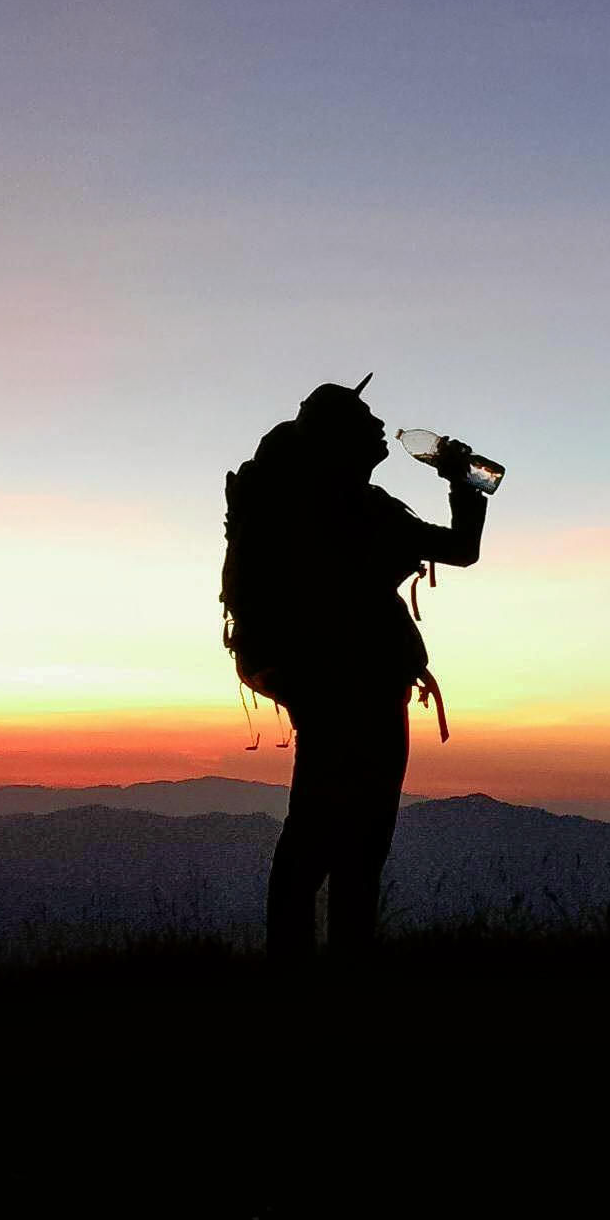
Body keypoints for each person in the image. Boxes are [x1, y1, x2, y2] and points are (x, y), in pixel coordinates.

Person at [223, 379, 489, 959]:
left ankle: (292, 958)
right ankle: (345, 963)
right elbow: (462, 548)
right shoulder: (357, 506)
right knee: (360, 834)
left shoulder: (298, 500)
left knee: (313, 822)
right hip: (362, 682)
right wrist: (463, 480)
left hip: (314, 679)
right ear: (340, 437)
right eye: (365, 418)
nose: (378, 426)